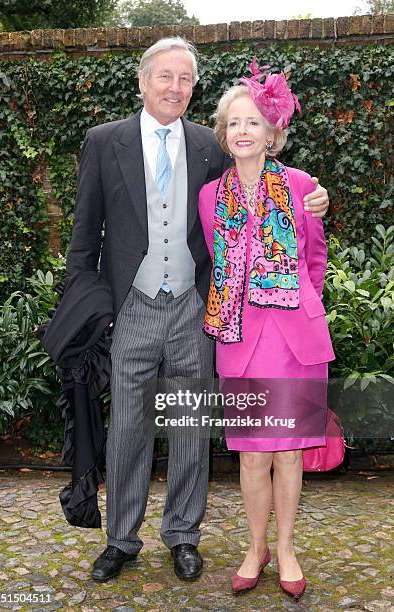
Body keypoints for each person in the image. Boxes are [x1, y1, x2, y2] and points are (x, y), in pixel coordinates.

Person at [65, 39, 330, 584]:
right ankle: (121, 539)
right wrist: (93, 312)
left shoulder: (208, 147)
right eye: (165, 77)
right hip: (132, 307)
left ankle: (183, 535)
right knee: (128, 430)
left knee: (189, 427)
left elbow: (270, 203)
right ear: (142, 81)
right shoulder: (103, 141)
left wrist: (315, 201)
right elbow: (83, 237)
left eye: (185, 79)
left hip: (194, 308)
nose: (175, 88)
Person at [198, 61, 335, 599]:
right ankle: (254, 549)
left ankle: (286, 549)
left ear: (273, 131)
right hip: (239, 339)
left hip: (295, 340)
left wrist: (300, 307)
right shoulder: (210, 197)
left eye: (254, 121)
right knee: (253, 452)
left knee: (290, 451)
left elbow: (315, 261)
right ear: (224, 134)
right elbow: (215, 260)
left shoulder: (303, 186)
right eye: (234, 123)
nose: (244, 131)